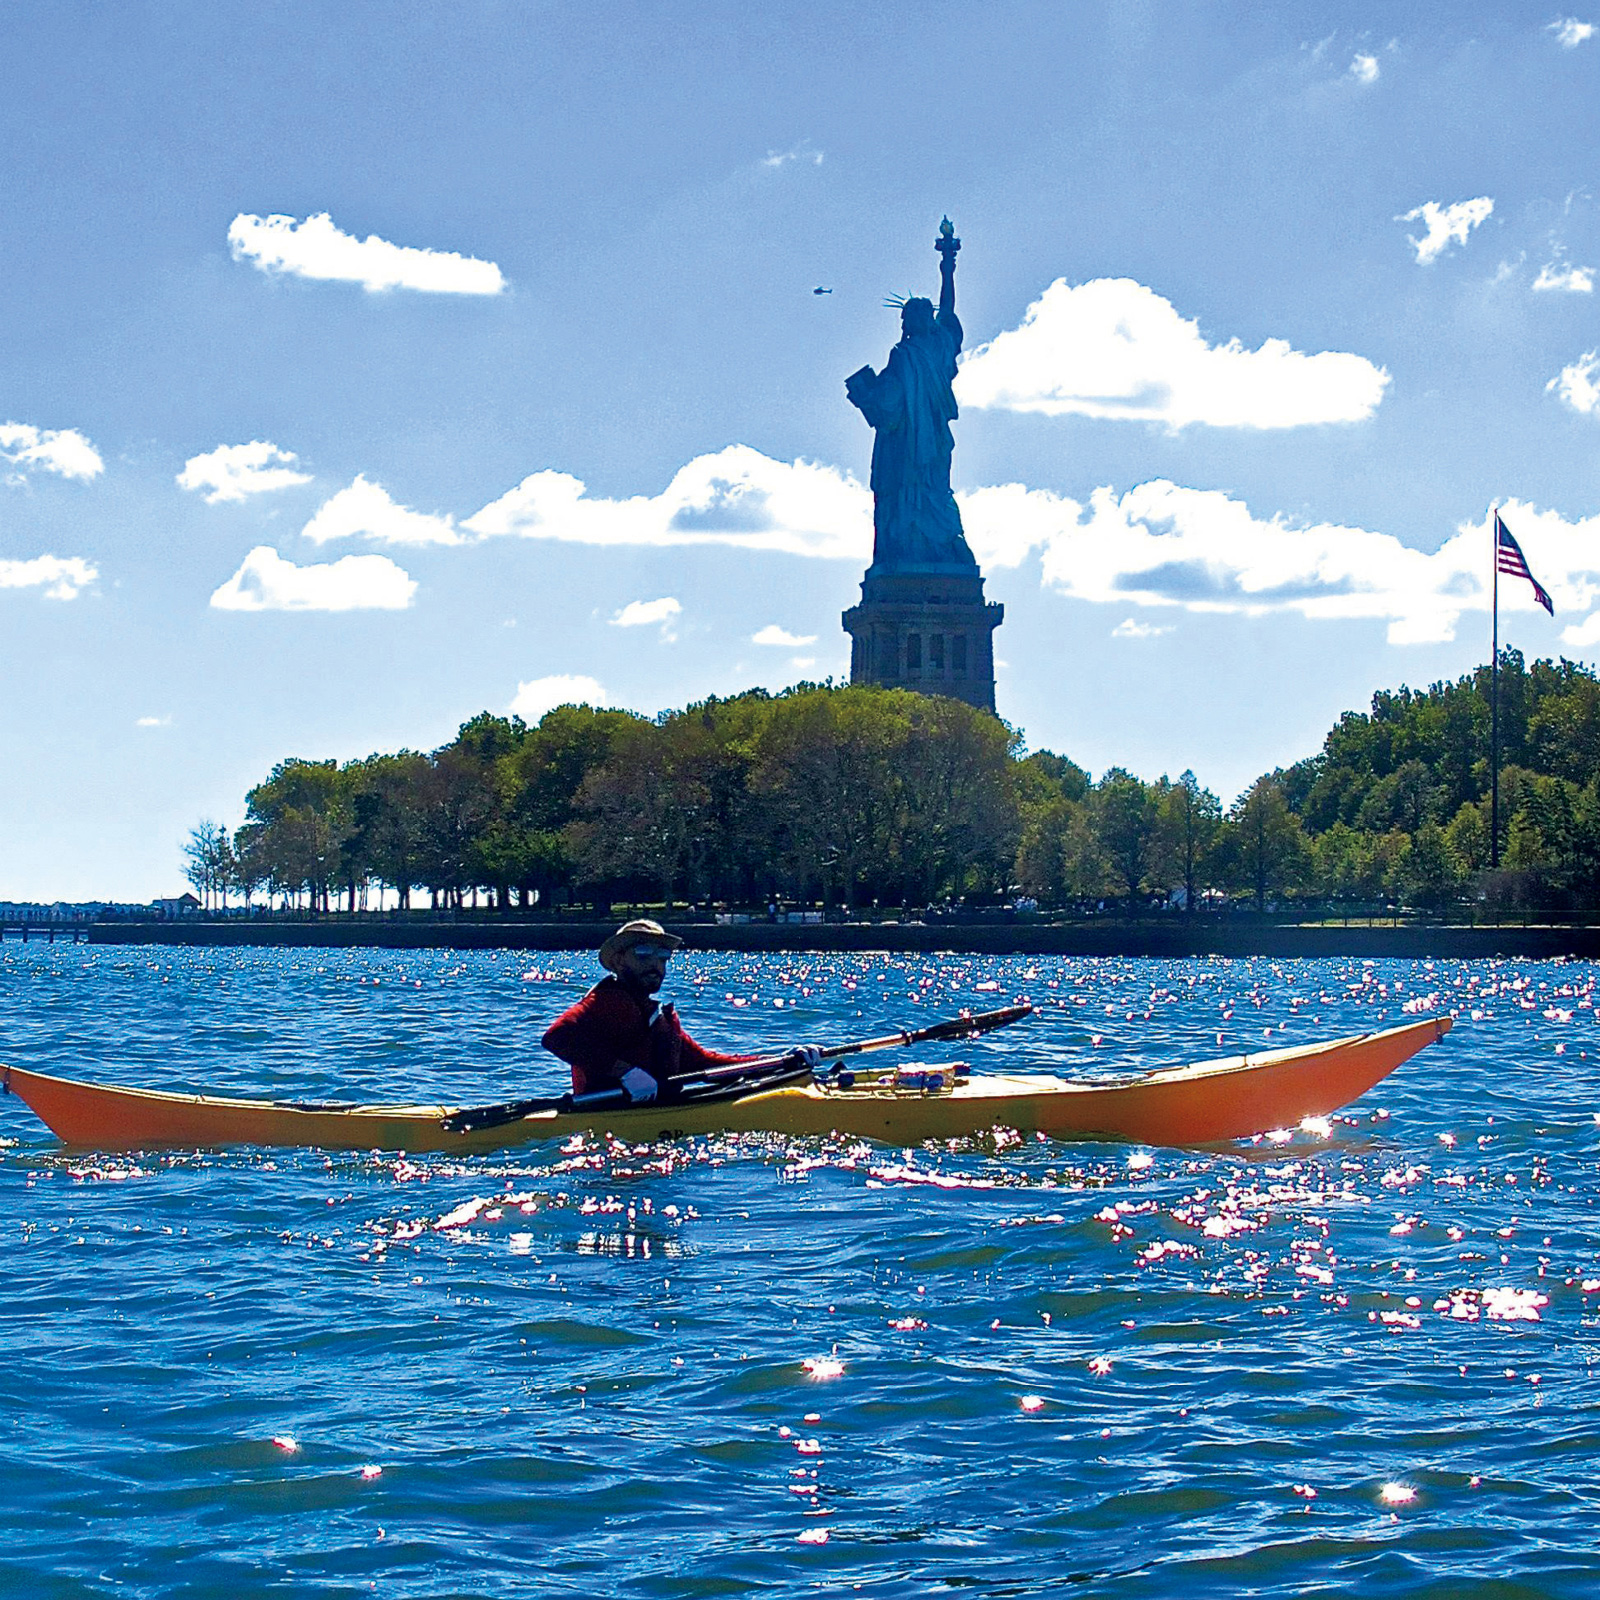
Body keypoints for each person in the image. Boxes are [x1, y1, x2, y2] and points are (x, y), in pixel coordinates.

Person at [541, 919, 820, 1103]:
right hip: (606, 1122)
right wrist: (625, 1073)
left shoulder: (658, 1018)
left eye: (663, 956)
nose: (655, 964)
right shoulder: (606, 1002)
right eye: (643, 953)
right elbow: (557, 1037)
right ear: (617, 961)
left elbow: (707, 1065)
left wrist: (782, 1062)